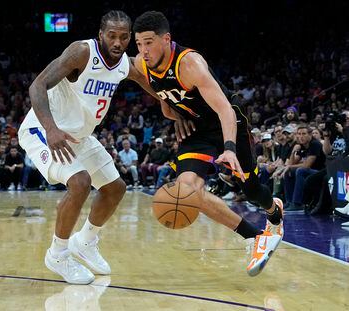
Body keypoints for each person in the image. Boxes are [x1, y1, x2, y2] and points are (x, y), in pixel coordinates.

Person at [133, 11, 283, 276]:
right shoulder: (142, 64)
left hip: (227, 121)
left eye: (148, 42)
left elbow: (225, 109)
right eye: (139, 44)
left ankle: (274, 210)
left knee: (251, 190)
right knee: (185, 191)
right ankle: (256, 237)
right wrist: (177, 115)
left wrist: (229, 148)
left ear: (166, 39)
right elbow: (166, 103)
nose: (143, 50)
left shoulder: (190, 64)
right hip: (198, 130)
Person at [18, 11, 157, 284]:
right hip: (43, 131)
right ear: (101, 34)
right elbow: (38, 86)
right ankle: (57, 255)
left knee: (115, 188)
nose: (117, 42)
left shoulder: (126, 65)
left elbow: (151, 85)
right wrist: (51, 129)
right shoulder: (82, 52)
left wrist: (175, 108)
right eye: (112, 36)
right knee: (80, 182)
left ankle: (85, 241)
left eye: (123, 37)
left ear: (130, 37)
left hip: (79, 137)